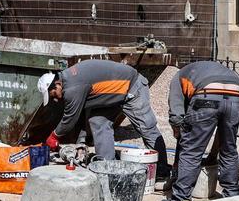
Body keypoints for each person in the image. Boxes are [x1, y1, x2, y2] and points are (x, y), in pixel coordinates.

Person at [37, 60, 168, 173]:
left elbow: (70, 118)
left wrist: (54, 136)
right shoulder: (69, 80)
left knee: (146, 127)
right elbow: (80, 114)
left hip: (131, 87)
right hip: (110, 95)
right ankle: (107, 167)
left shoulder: (72, 88)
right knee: (98, 122)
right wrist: (80, 141)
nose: (54, 99)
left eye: (53, 95)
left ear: (57, 84)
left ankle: (162, 170)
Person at [158, 60, 239, 201]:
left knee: (191, 153)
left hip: (206, 96)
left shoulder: (178, 76)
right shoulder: (213, 69)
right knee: (229, 149)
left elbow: (176, 113)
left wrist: (179, 132)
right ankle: (231, 198)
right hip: (235, 95)